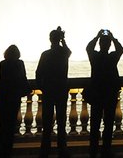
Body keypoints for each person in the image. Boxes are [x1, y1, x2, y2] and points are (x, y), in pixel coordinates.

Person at [85, 29, 123, 158]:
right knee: (108, 124)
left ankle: (93, 150)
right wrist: (113, 38)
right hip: (110, 94)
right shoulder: (112, 57)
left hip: (96, 94)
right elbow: (121, 49)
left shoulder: (95, 57)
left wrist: (97, 36)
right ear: (109, 45)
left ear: (100, 44)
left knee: (95, 124)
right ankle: (106, 150)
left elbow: (89, 47)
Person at [36, 26, 72, 158]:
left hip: (49, 91)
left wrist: (43, 88)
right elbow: (69, 51)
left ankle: (45, 148)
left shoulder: (45, 54)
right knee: (61, 121)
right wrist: (63, 39)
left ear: (50, 39)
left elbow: (38, 73)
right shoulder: (64, 53)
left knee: (47, 121)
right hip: (61, 90)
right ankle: (62, 148)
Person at [0, 45, 31, 158]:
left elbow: (2, 78)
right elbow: (22, 77)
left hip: (3, 96)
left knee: (3, 124)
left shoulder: (2, 63)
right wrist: (27, 89)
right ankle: (7, 151)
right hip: (14, 96)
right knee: (11, 124)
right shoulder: (19, 63)